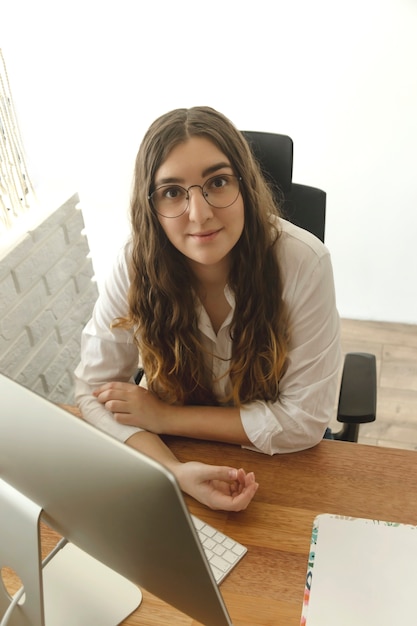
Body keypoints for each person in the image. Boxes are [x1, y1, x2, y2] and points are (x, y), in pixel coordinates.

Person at [74, 106, 342, 512]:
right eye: (172, 191)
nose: (199, 214)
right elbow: (91, 389)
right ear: (152, 205)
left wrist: (164, 418)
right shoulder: (135, 262)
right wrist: (174, 471)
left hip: (276, 469)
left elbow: (304, 423)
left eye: (217, 182)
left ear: (245, 184)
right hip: (170, 460)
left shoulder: (304, 262)